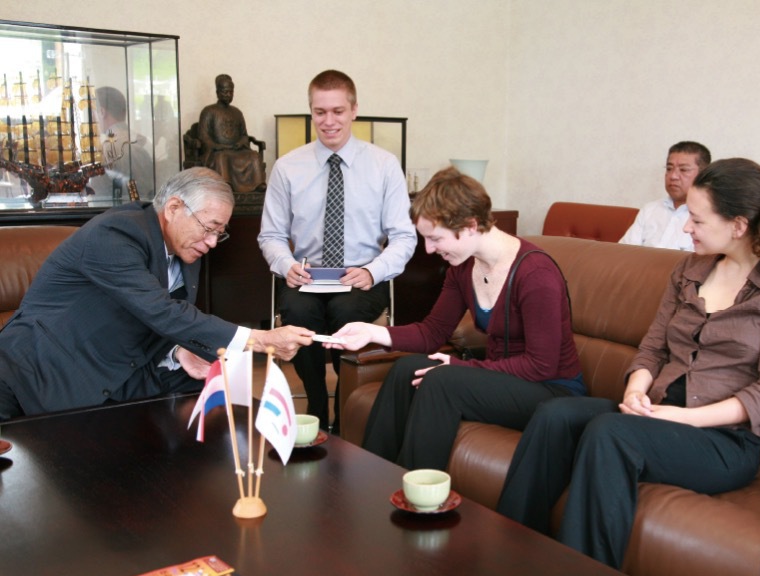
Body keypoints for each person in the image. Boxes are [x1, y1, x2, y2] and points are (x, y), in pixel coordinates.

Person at [497, 158, 760, 569]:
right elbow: (653, 347)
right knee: (555, 415)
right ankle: (509, 556)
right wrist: (636, 392)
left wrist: (683, 418)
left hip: (723, 441)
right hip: (658, 414)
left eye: (697, 220)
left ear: (738, 225)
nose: (686, 228)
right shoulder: (688, 270)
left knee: (611, 433)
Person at [0, 167, 314, 421]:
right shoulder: (115, 235)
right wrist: (259, 339)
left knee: (215, 389)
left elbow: (156, 319)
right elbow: (161, 310)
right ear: (174, 208)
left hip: (116, 367)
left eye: (220, 233)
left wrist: (177, 351)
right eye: (209, 228)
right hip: (39, 371)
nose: (212, 242)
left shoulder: (186, 248)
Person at [328, 166, 585, 470]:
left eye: (435, 238)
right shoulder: (463, 267)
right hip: (501, 379)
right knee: (406, 369)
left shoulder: (536, 274)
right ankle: (372, 478)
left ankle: (417, 491)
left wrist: (460, 367)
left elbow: (541, 365)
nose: (429, 249)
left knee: (442, 381)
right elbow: (432, 332)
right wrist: (371, 333)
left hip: (550, 389)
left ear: (471, 225)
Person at [258, 69, 416, 432]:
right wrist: (285, 264)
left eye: (338, 111)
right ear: (311, 111)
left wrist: (374, 271)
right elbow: (271, 235)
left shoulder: (384, 165)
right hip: (307, 274)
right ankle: (316, 404)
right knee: (298, 312)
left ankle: (346, 410)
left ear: (354, 110)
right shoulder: (287, 168)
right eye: (320, 112)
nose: (328, 121)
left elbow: (404, 237)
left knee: (346, 311)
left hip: (361, 276)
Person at [619, 141, 712, 250]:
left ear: (703, 175)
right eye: (669, 168)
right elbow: (624, 251)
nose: (673, 176)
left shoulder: (711, 215)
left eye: (683, 170)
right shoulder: (650, 209)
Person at [198, 74, 266, 193]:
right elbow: (204, 136)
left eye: (231, 92)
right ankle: (226, 184)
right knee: (222, 157)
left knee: (254, 156)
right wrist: (217, 146)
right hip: (218, 150)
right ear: (218, 92)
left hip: (236, 149)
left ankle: (258, 184)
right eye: (225, 92)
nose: (228, 95)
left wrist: (240, 143)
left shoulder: (237, 112)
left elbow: (244, 135)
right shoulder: (208, 111)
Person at [93, 86, 155, 199]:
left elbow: (98, 195)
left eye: (93, 112)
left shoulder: (105, 149)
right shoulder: (146, 143)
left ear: (102, 112)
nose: (93, 118)